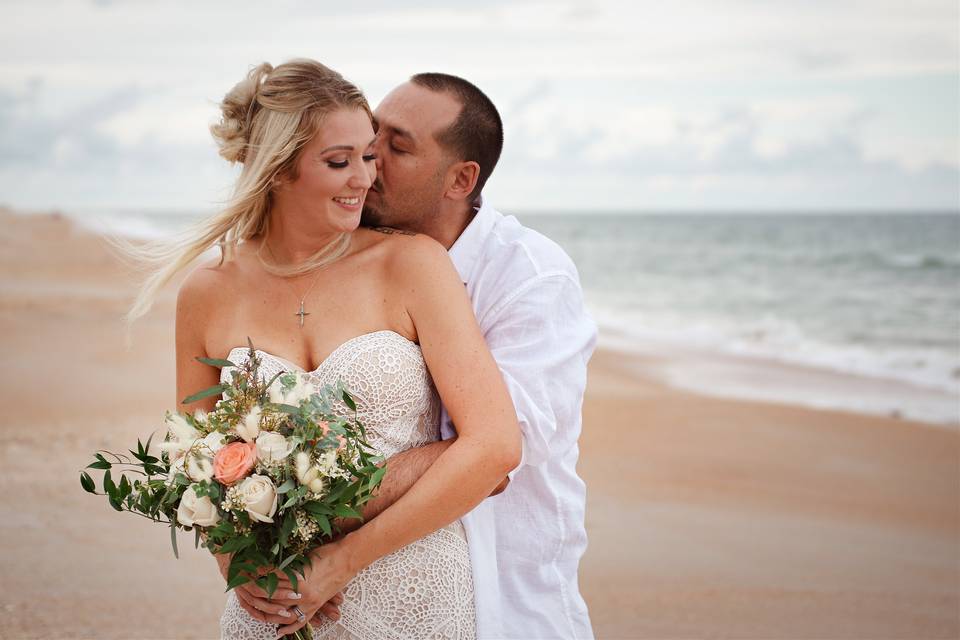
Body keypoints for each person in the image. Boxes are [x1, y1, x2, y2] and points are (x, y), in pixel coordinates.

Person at [125, 59, 521, 639]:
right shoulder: (207, 293)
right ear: (279, 170)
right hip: (276, 605)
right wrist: (235, 563)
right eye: (340, 162)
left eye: (368, 155)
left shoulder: (412, 264)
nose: (366, 177)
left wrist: (342, 560)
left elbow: (495, 446)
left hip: (416, 591)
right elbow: (198, 463)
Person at [352, 74, 598, 638]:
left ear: (460, 179)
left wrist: (326, 501)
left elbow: (501, 452)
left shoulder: (531, 275)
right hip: (372, 603)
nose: (371, 157)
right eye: (373, 135)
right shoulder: (355, 260)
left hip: (507, 602)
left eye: (399, 146)